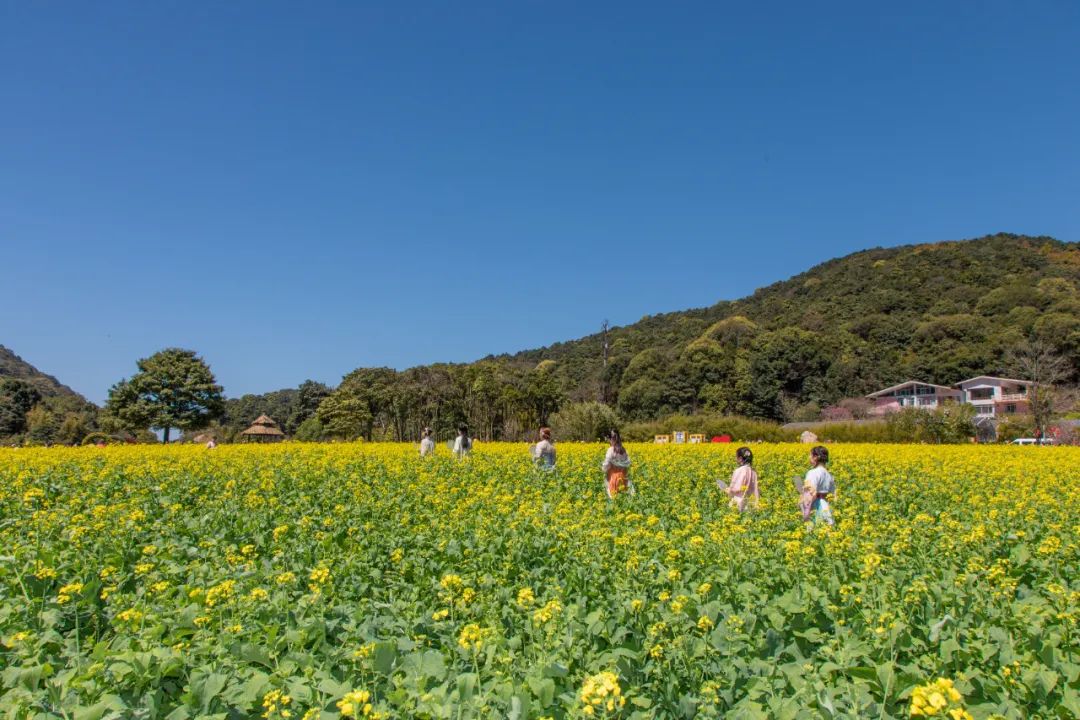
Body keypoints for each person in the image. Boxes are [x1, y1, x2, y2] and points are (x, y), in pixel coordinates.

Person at [800, 445, 836, 526]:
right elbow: (834, 496)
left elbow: (809, 494)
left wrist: (805, 514)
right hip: (827, 509)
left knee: (814, 534)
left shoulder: (813, 473)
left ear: (816, 457)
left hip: (816, 508)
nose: (809, 457)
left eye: (810, 455)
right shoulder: (829, 475)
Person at [723, 446, 759, 512]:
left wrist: (728, 490)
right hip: (750, 504)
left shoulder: (739, 471)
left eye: (736, 457)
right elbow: (756, 489)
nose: (735, 458)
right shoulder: (754, 472)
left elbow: (736, 489)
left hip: (738, 504)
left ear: (740, 458)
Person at [602, 430, 635, 498]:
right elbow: (628, 463)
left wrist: (604, 470)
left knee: (613, 499)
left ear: (611, 439)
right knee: (623, 498)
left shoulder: (611, 450)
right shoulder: (624, 450)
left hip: (613, 477)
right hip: (623, 477)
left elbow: (606, 464)